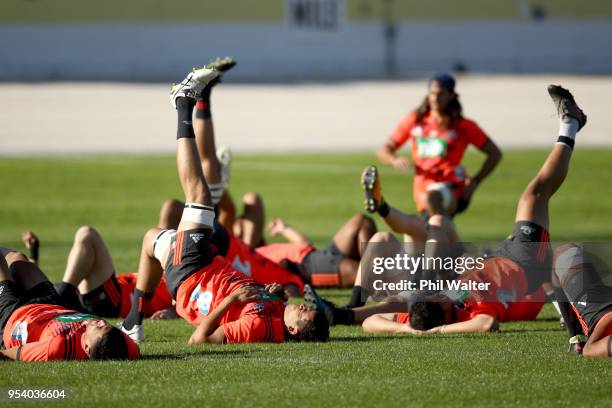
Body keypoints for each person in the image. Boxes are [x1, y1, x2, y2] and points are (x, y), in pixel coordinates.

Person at [120, 64, 329, 344]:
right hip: (204, 267)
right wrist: (270, 294)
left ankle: (183, 103)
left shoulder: (261, 327)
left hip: (194, 274)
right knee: (151, 240)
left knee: (199, 196)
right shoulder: (275, 311)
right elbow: (249, 299)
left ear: (293, 330)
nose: (306, 308)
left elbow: (199, 339)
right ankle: (133, 322)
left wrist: (232, 298)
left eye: (307, 316)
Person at [358, 84, 586, 335]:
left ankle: (383, 209)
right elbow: (487, 324)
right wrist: (438, 330)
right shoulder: (472, 310)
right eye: (441, 299)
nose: (440, 295)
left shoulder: (424, 307)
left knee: (428, 226)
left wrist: (411, 330)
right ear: (446, 311)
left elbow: (371, 321)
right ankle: (570, 124)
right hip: (521, 262)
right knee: (534, 195)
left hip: (480, 231)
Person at [377, 73, 502, 217]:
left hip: (453, 187)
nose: (435, 98)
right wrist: (394, 159)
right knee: (427, 230)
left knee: (434, 201)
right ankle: (447, 236)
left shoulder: (464, 126)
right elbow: (384, 150)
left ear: (451, 95)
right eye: (432, 93)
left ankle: (445, 234)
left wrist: (475, 182)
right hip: (422, 189)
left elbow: (495, 153)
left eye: (441, 94)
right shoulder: (415, 121)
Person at [0, 249, 139, 361]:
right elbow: (134, 350)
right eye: (107, 325)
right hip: (51, 305)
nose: (102, 322)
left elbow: (13, 354)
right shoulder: (120, 344)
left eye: (99, 328)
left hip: (14, 317)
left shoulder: (58, 347)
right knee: (18, 260)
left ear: (87, 348)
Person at [51, 226, 175, 319]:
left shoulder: (178, 276)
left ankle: (61, 295)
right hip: (107, 292)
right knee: (42, 294)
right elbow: (171, 208)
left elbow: (186, 301)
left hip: (116, 301)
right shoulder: (163, 261)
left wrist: (172, 312)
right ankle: (61, 294)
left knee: (87, 235)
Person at [255, 214, 377, 288]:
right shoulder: (245, 265)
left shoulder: (253, 251)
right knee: (363, 273)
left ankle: (379, 272)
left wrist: (284, 229)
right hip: (309, 269)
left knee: (362, 221)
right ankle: (381, 279)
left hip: (318, 254)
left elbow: (304, 244)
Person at [553, 243, 612, 358]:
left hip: (599, 310)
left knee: (562, 253)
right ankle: (575, 339)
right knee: (564, 252)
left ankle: (575, 339)